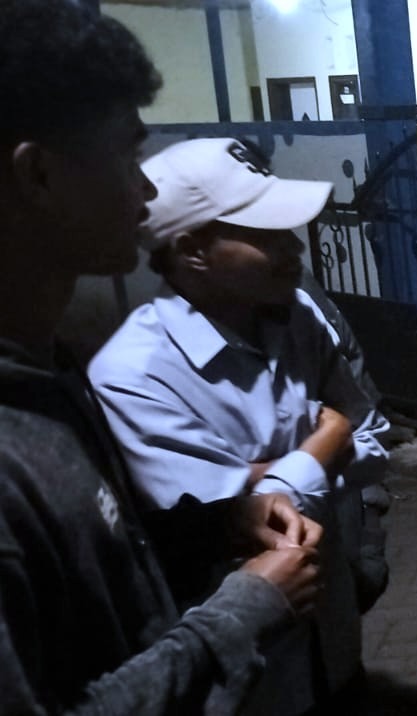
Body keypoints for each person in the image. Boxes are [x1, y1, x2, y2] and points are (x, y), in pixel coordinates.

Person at [0, 1, 322, 713]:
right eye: (127, 155)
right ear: (39, 176)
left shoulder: (47, 375)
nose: (146, 191)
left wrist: (218, 523)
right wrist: (239, 613)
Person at [88, 137, 391, 714]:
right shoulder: (133, 372)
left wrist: (265, 473)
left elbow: (373, 443)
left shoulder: (299, 317)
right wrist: (325, 442)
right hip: (247, 680)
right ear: (192, 250)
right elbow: (240, 525)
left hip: (335, 647)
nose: (293, 248)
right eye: (265, 235)